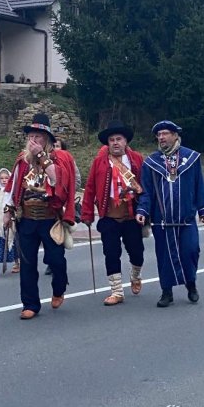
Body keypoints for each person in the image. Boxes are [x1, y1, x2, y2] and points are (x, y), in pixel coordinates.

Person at [3, 113, 76, 319]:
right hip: (26, 219)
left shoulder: (60, 158)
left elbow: (57, 182)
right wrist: (8, 211)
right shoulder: (22, 160)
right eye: (31, 136)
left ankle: (59, 289)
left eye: (38, 136)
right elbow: (13, 187)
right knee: (27, 263)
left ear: (48, 139)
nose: (33, 140)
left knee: (56, 261)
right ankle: (30, 304)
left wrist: (42, 157)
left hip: (50, 219)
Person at [136, 121, 204, 308]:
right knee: (164, 256)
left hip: (186, 219)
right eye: (159, 134)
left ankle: (191, 284)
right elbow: (146, 191)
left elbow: (198, 184)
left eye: (165, 133)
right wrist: (142, 210)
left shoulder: (191, 158)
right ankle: (166, 292)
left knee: (191, 251)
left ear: (175, 135)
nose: (161, 137)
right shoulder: (151, 162)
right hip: (162, 221)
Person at [81, 120, 145, 306]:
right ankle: (117, 291)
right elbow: (90, 188)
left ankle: (135, 275)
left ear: (125, 141)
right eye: (111, 140)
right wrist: (87, 214)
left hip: (131, 215)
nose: (115, 143)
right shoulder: (99, 162)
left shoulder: (136, 160)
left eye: (119, 139)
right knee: (111, 253)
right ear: (107, 143)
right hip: (109, 215)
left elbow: (145, 186)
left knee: (137, 252)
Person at [44, 137, 82, 275]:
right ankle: (50, 259)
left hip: (63, 202)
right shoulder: (44, 161)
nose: (55, 148)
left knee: (59, 232)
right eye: (54, 145)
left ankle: (55, 261)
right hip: (46, 203)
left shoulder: (68, 161)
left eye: (58, 146)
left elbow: (76, 179)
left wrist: (66, 190)